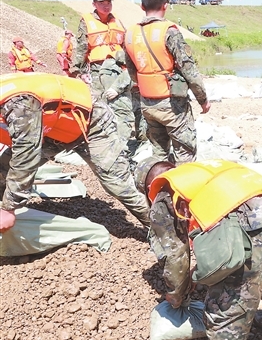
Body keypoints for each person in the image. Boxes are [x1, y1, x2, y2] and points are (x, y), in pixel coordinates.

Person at [134, 158, 262, 340]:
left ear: (148, 187)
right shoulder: (197, 173)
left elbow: (174, 256)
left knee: (225, 314)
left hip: (253, 233)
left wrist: (177, 294)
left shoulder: (165, 193)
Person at [0, 73, 151, 232]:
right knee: (3, 169)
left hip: (91, 122)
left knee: (118, 184)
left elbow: (26, 155)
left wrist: (10, 208)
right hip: (54, 128)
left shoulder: (19, 105)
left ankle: (161, 228)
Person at [124, 0, 211, 164]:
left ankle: (159, 180)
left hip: (147, 103)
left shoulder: (130, 34)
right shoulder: (169, 31)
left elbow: (132, 70)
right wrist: (203, 99)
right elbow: (189, 69)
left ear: (142, 6)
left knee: (159, 154)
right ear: (165, 5)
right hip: (172, 104)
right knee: (184, 154)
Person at [70, 0, 134, 143]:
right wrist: (78, 70)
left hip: (118, 68)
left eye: (108, 2)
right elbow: (82, 47)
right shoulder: (87, 21)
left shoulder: (117, 20)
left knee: (121, 103)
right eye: (102, 3)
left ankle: (121, 138)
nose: (106, 6)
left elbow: (126, 44)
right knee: (101, 103)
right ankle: (103, 138)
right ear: (94, 4)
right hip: (98, 69)